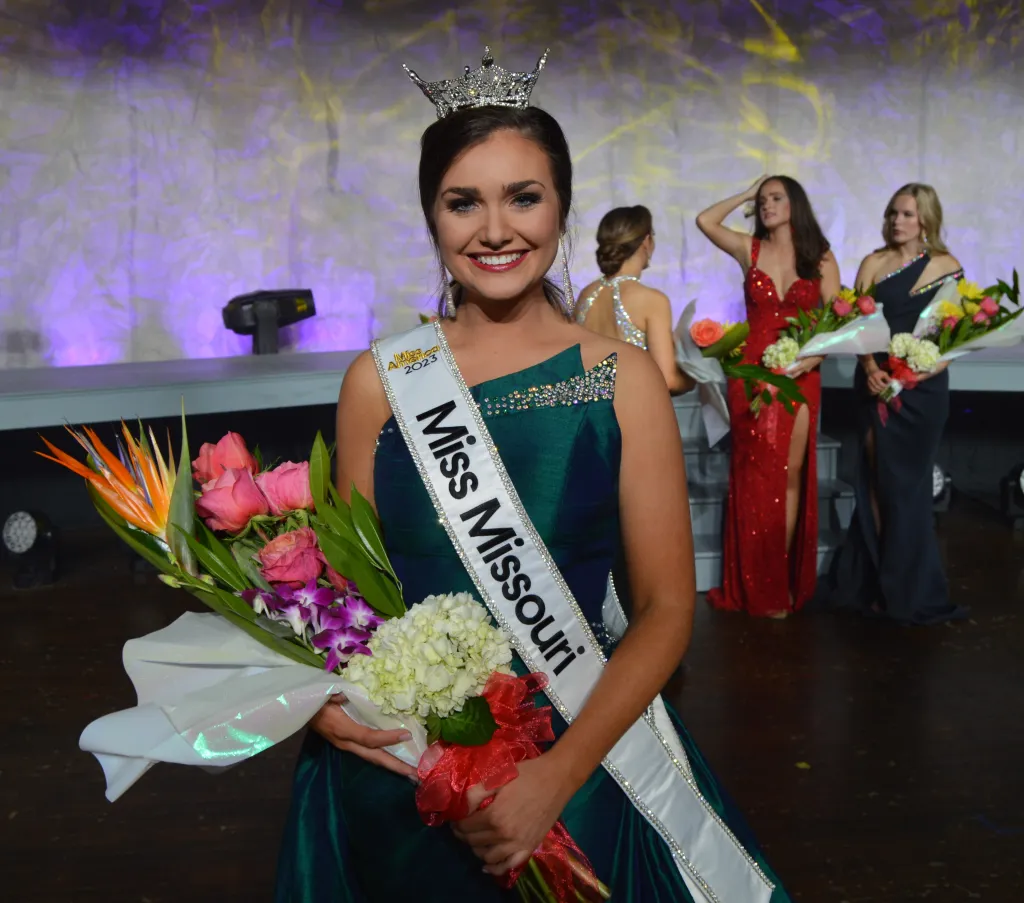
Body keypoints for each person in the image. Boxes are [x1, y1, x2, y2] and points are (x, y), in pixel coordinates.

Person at [274, 49, 791, 902]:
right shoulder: (380, 380)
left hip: (576, 760)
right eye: (462, 202)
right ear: (431, 217)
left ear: (561, 207)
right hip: (398, 769)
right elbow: (340, 592)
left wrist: (553, 779)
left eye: (523, 196)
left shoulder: (620, 378)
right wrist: (317, 697)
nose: (495, 229)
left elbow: (665, 611)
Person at [821, 183, 968, 624]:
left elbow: (953, 337)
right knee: (875, 485)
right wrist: (868, 366)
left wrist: (924, 370)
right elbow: (856, 323)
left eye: (905, 214)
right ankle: (881, 583)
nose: (896, 221)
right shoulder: (873, 262)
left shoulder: (946, 266)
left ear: (924, 218)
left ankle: (906, 588)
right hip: (876, 384)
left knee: (908, 491)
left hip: (923, 391)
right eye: (891, 213)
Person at [696, 176, 840, 618]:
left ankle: (779, 584)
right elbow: (705, 220)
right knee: (754, 477)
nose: (767, 206)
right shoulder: (749, 249)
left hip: (800, 372)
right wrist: (744, 193)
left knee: (790, 475)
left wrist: (812, 360)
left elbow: (836, 321)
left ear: (796, 203)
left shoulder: (821, 256)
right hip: (752, 376)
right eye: (762, 201)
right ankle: (754, 586)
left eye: (776, 198)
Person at [575, 205, 695, 394]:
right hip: (635, 415)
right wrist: (697, 380)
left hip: (592, 415)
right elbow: (667, 380)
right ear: (646, 241)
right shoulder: (652, 300)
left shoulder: (586, 295)